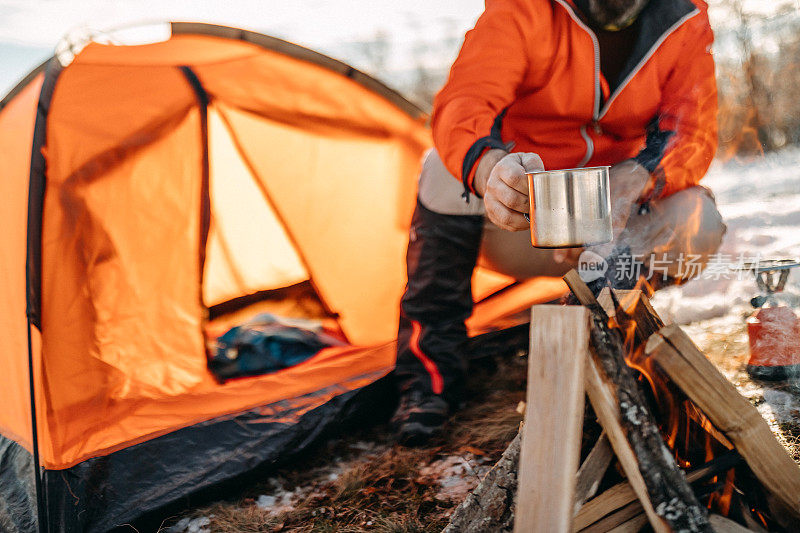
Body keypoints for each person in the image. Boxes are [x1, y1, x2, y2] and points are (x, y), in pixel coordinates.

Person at [391, 0, 727, 445]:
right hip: (520, 216)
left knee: (698, 220)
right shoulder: (523, 9)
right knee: (441, 170)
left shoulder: (685, 17)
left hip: (618, 218)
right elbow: (463, 103)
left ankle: (622, 332)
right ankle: (427, 376)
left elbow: (693, 130)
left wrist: (640, 174)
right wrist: (492, 172)